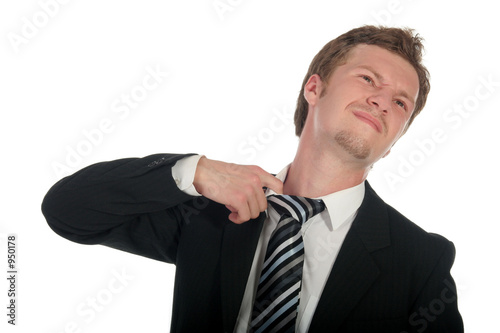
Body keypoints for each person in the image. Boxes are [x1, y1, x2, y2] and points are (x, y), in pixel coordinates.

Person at [41, 25, 464, 332]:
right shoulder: (208, 216)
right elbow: (68, 210)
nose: (381, 100)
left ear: (392, 143)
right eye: (369, 79)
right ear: (313, 89)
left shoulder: (421, 261)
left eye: (400, 102)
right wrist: (195, 171)